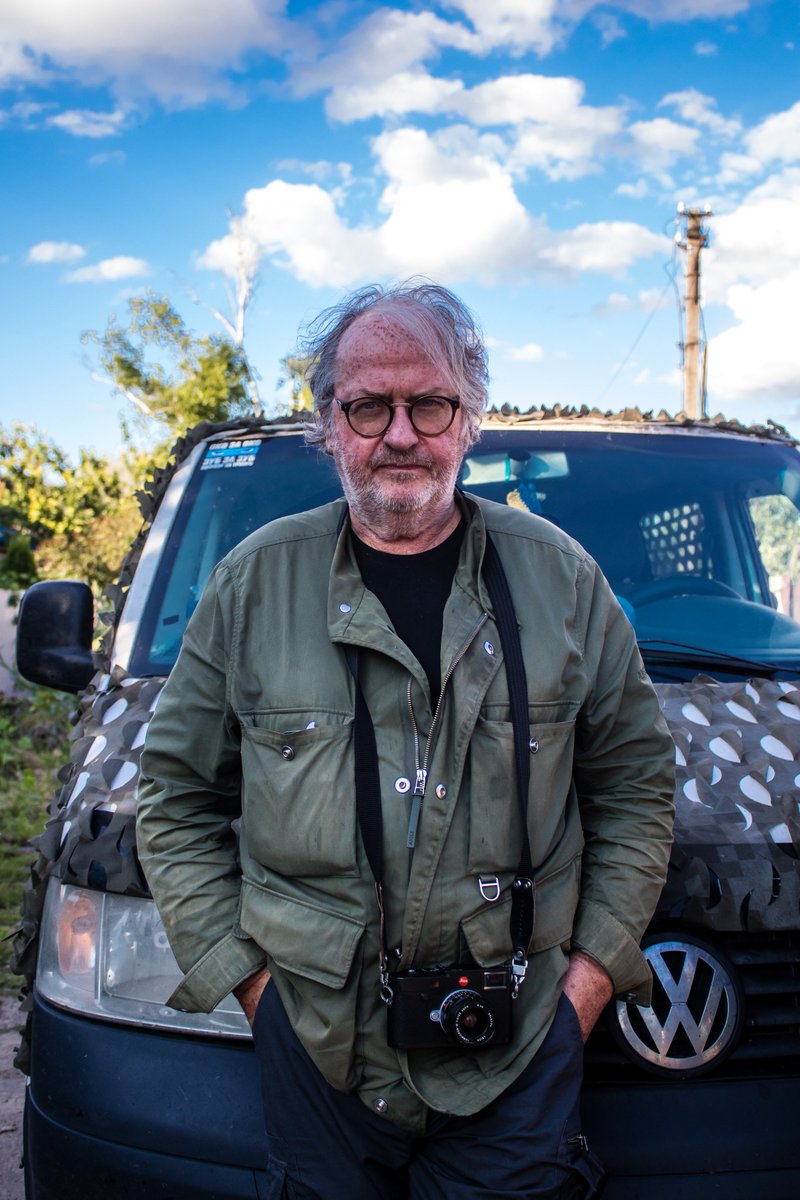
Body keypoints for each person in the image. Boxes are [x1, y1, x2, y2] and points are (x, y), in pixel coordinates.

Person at [137, 281, 675, 1199]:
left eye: (429, 403)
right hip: (313, 1042)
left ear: (469, 418)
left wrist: (583, 992)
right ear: (328, 421)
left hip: (518, 1049)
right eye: (368, 405)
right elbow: (175, 796)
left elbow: (636, 784)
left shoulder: (563, 580)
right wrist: (253, 991)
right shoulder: (251, 585)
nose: (399, 433)